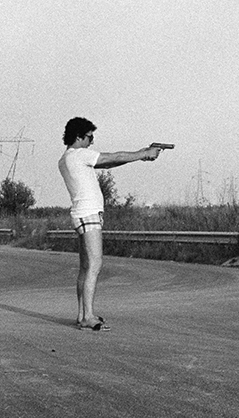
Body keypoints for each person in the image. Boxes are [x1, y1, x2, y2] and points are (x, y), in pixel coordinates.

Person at [58, 117, 162, 330]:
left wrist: (140, 155)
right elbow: (112, 157)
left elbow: (111, 162)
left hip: (82, 214)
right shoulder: (78, 155)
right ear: (78, 136)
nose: (91, 141)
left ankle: (82, 314)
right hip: (89, 215)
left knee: (85, 267)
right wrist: (142, 154)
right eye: (89, 137)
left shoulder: (67, 158)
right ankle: (87, 316)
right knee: (95, 265)